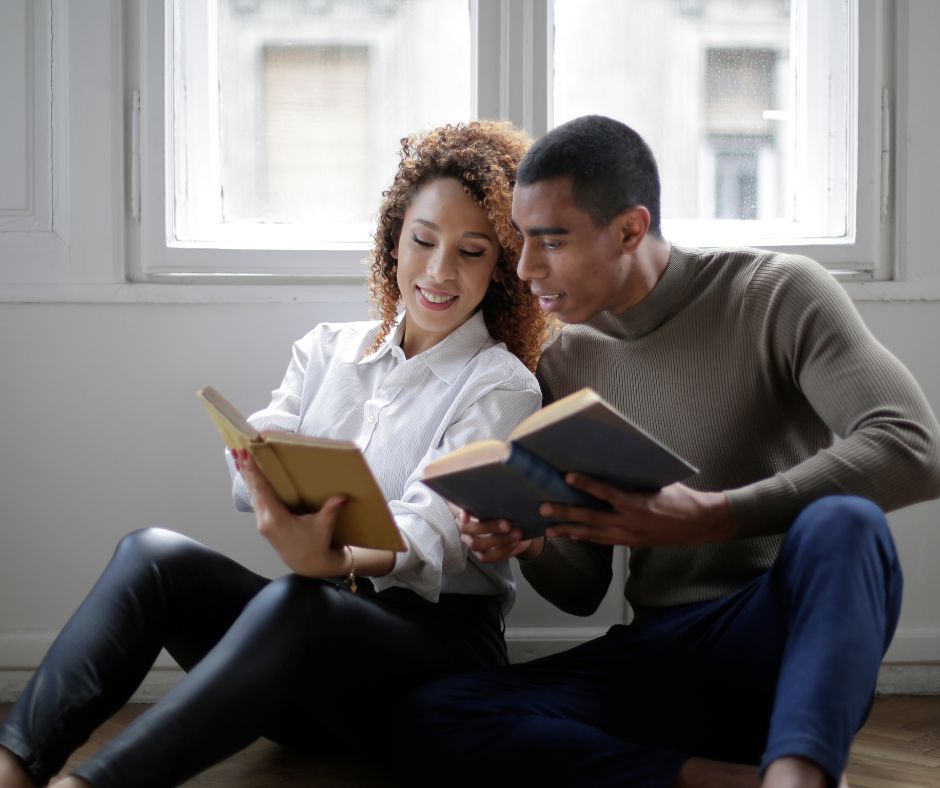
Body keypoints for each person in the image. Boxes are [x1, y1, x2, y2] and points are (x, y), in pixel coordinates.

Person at [0, 120, 550, 788]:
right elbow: (253, 463)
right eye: (423, 240)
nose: (437, 272)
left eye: (470, 251)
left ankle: (93, 785)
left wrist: (339, 557)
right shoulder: (327, 349)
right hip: (303, 659)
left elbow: (436, 529)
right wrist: (262, 475)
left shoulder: (502, 384)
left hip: (432, 658)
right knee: (154, 555)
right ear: (394, 238)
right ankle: (14, 764)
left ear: (499, 267)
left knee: (299, 599)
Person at [399, 115, 940, 788]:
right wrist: (531, 541)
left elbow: (915, 448)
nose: (525, 267)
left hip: (781, 639)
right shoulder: (566, 360)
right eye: (521, 241)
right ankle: (728, 781)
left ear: (630, 229)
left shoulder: (776, 293)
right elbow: (583, 589)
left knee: (846, 524)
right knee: (436, 715)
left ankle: (802, 776)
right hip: (657, 654)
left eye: (551, 241)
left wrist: (717, 516)